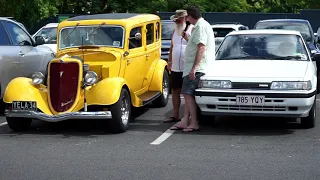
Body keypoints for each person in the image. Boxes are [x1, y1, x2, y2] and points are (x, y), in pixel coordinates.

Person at [170, 6, 215, 132]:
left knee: (188, 94)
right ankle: (185, 120)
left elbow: (201, 47)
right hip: (190, 67)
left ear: (189, 16)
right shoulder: (200, 25)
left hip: (196, 67)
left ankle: (193, 122)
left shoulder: (200, 26)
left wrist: (194, 68)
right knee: (186, 93)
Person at [163, 10, 194, 123]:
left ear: (185, 18)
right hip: (176, 66)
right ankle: (175, 114)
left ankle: (189, 116)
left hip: (187, 66)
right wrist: (169, 61)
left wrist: (186, 38)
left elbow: (195, 45)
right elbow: (172, 47)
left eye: (178, 19)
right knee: (175, 90)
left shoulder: (191, 29)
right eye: (175, 20)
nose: (176, 21)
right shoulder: (174, 31)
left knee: (187, 91)